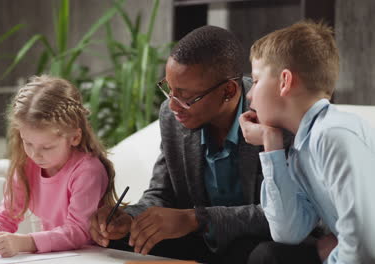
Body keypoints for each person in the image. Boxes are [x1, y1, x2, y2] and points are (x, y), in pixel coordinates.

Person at [88, 25, 321, 264]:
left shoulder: (274, 112)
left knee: (268, 257)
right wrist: (129, 218)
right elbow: (162, 194)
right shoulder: (172, 118)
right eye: (169, 89)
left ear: (228, 91)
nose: (172, 105)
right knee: (124, 239)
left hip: (263, 241)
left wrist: (196, 219)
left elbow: (285, 215)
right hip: (204, 241)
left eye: (186, 96)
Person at [239, 20, 375, 264]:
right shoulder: (303, 147)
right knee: (267, 256)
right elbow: (288, 232)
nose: (249, 93)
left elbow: (364, 248)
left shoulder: (334, 135)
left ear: (284, 81)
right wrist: (272, 145)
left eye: (256, 80)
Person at [0, 75, 117, 257]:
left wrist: (26, 242)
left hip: (92, 257)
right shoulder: (27, 165)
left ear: (75, 137)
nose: (35, 154)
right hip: (53, 256)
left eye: (47, 147)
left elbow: (79, 231)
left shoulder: (87, 171)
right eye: (28, 143)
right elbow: (8, 213)